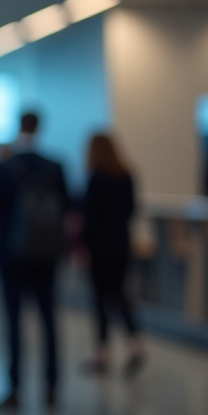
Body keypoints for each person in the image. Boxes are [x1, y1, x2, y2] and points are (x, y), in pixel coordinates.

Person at [0, 112, 69, 410]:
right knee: (48, 320)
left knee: (13, 321)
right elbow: (67, 207)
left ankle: (14, 389)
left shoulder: (3, 167)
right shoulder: (55, 166)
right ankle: (52, 388)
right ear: (40, 128)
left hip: (11, 255)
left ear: (18, 127)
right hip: (47, 254)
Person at [81, 133, 145, 375]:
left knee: (100, 299)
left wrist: (84, 246)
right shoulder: (126, 175)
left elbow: (90, 217)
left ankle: (102, 353)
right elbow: (131, 209)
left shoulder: (95, 178)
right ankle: (136, 344)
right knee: (120, 295)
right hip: (121, 244)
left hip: (99, 247)